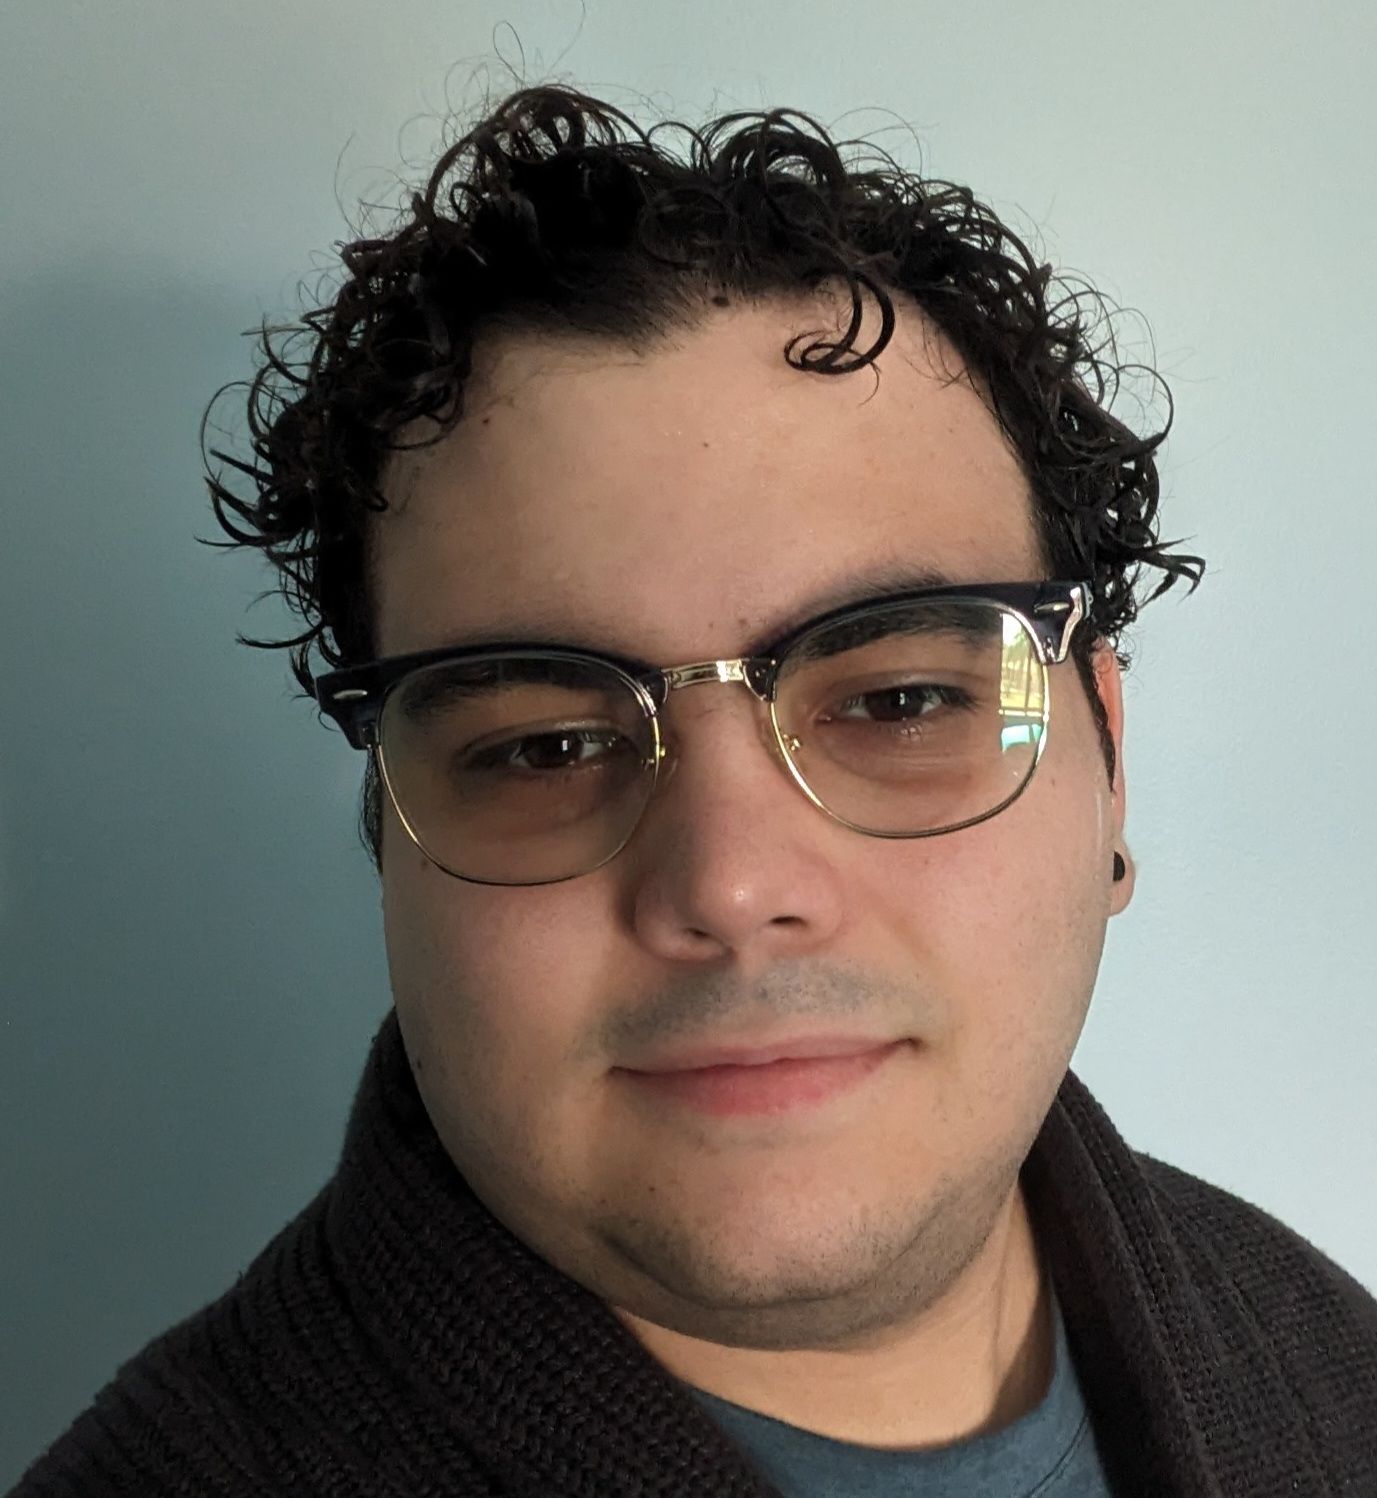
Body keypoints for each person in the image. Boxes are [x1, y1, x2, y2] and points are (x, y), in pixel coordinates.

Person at [13, 82, 1376, 1498]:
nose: (730, 884)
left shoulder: (1326, 1357)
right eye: (544, 745)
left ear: (1106, 773)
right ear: (386, 836)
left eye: (899, 701)